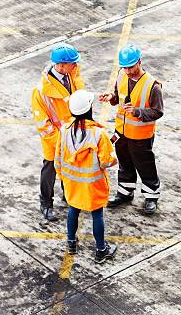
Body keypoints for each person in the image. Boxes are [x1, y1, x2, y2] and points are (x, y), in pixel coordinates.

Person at [98, 45, 163, 215]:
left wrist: (137, 112)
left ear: (139, 62)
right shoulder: (121, 75)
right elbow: (117, 95)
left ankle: (151, 196)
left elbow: (158, 111)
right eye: (124, 67)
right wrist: (111, 97)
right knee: (124, 164)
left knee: (145, 166)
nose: (127, 71)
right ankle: (125, 193)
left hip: (141, 136)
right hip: (122, 132)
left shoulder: (152, 86)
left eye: (130, 67)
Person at [55, 89, 118, 263]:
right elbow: (107, 161)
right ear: (89, 109)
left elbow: (57, 157)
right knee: (97, 215)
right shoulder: (98, 134)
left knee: (73, 209)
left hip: (71, 183)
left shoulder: (64, 130)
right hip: (92, 185)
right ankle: (100, 250)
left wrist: (62, 176)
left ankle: (71, 243)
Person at [31, 43, 84, 222]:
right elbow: (43, 124)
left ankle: (67, 195)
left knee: (69, 168)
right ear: (61, 65)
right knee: (50, 169)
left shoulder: (72, 75)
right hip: (55, 139)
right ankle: (46, 202)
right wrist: (61, 140)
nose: (76, 65)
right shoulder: (41, 92)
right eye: (73, 63)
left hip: (72, 135)